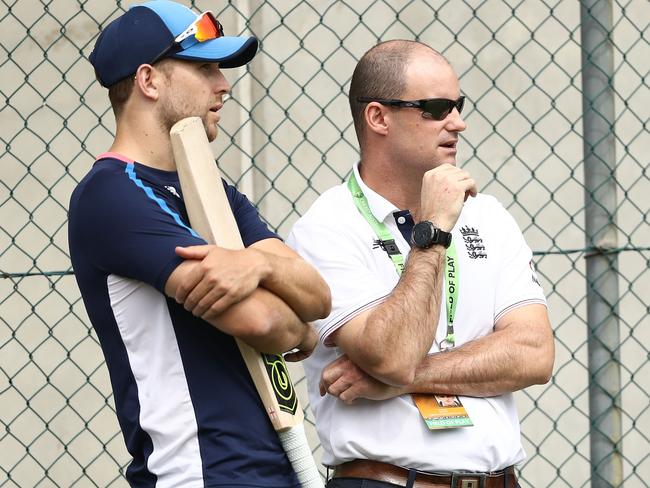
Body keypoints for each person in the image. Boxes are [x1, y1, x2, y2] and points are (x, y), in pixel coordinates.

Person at [68, 1, 331, 486]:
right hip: (197, 474)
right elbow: (264, 322)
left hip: (272, 468)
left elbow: (318, 294)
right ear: (149, 81)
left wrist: (258, 268)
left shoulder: (213, 188)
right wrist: (302, 329)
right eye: (204, 67)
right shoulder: (111, 194)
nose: (223, 84)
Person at [287, 40, 555, 488]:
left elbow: (533, 354)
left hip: (500, 480)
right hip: (387, 481)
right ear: (378, 118)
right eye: (435, 107)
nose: (458, 122)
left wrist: (404, 380)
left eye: (458, 104)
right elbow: (390, 354)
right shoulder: (326, 227)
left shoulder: (488, 214)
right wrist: (432, 231)